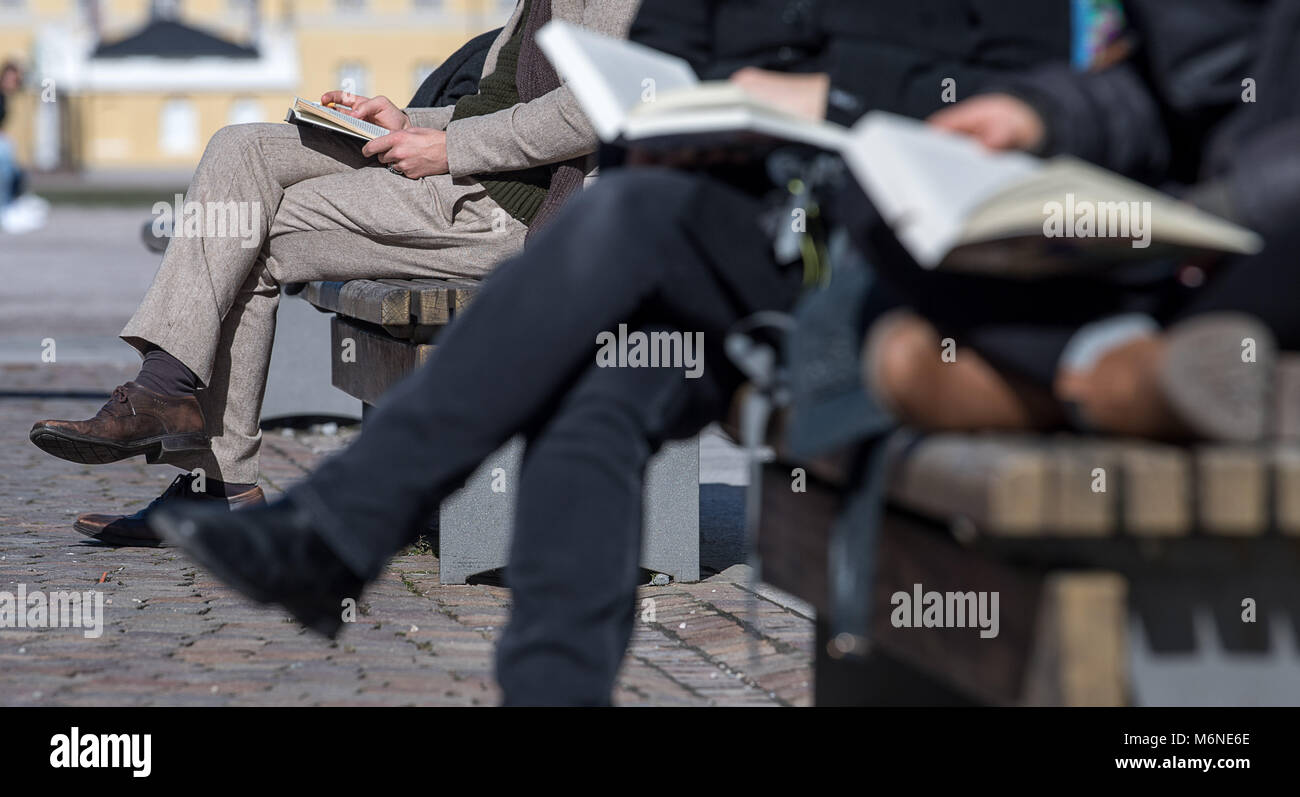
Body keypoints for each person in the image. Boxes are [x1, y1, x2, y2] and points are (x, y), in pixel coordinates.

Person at [148, 0, 1080, 705]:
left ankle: (342, 526)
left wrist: (824, 94)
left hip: (906, 249)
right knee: (600, 374)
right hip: (746, 232)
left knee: (616, 254)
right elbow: (654, 80)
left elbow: (1025, 91)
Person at [28, 0, 640, 546]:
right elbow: (502, 108)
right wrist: (408, 123)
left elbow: (598, 104)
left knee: (250, 229)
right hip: (467, 173)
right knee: (240, 148)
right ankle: (174, 403)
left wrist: (450, 149)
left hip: (503, 211)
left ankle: (211, 475)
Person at [855, 0, 1300, 442]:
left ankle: (1078, 385)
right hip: (1190, 228)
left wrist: (1227, 208)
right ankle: (1120, 377)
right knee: (874, 203)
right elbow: (1183, 88)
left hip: (1259, 227)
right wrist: (1040, 116)